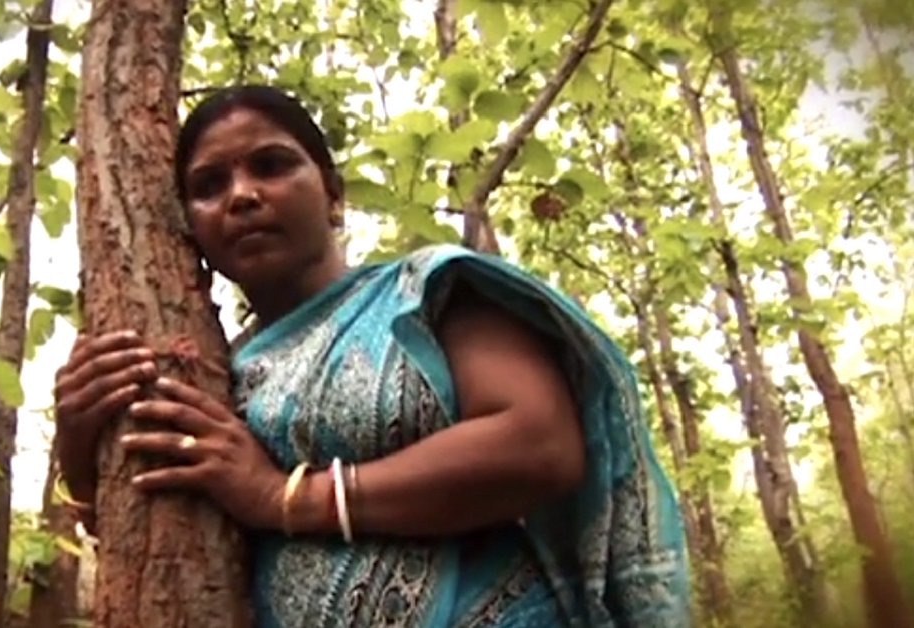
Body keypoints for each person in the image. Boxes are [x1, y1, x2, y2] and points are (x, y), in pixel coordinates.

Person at [52, 84, 691, 627]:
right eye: (208, 186)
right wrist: (84, 447)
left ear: (333, 195)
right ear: (189, 226)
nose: (241, 195)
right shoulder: (215, 371)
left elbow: (539, 447)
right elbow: (170, 534)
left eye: (271, 165)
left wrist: (282, 497)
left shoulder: (426, 292)